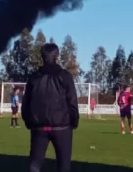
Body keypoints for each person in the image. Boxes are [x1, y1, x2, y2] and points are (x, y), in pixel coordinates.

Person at [22, 43, 79, 172]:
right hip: (62, 127)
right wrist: (74, 122)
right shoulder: (65, 76)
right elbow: (72, 103)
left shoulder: (34, 77)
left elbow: (26, 103)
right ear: (57, 57)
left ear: (42, 57)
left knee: (35, 165)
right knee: (64, 165)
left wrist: (29, 122)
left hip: (39, 127)